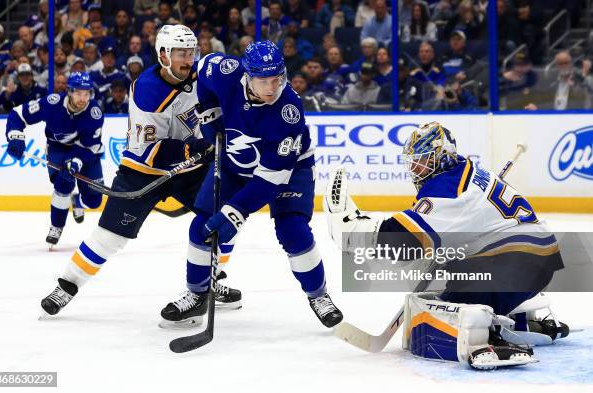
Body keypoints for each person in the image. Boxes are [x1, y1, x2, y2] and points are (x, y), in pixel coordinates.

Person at [324, 121, 567, 369]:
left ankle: (484, 341)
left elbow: (402, 241)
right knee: (453, 281)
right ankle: (522, 320)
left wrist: (353, 231)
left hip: (517, 265)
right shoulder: (463, 169)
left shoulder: (449, 188)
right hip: (532, 260)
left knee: (445, 314)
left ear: (442, 156)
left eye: (423, 160)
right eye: (413, 161)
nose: (416, 168)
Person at [38, 25, 242, 319]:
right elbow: (150, 149)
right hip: (143, 169)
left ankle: (209, 279)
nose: (188, 59)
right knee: (109, 236)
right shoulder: (147, 90)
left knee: (226, 217)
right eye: (180, 53)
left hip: (194, 167)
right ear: (163, 54)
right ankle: (67, 286)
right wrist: (195, 147)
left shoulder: (203, 76)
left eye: (191, 52)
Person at [160, 40, 343, 328]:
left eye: (277, 79)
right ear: (247, 75)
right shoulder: (224, 71)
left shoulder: (288, 111)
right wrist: (209, 113)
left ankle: (318, 295)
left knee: (292, 229)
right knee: (202, 226)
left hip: (289, 169)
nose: (271, 88)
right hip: (235, 161)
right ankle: (197, 295)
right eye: (263, 81)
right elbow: (203, 69)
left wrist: (236, 210)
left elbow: (271, 180)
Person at [4, 72, 104, 247]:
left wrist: (75, 163)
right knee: (63, 184)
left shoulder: (94, 114)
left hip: (86, 152)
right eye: (79, 93)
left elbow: (89, 147)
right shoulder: (52, 103)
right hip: (58, 149)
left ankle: (78, 200)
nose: (83, 98)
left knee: (94, 201)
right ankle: (56, 226)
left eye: (86, 93)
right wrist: (15, 136)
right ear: (69, 91)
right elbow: (17, 114)